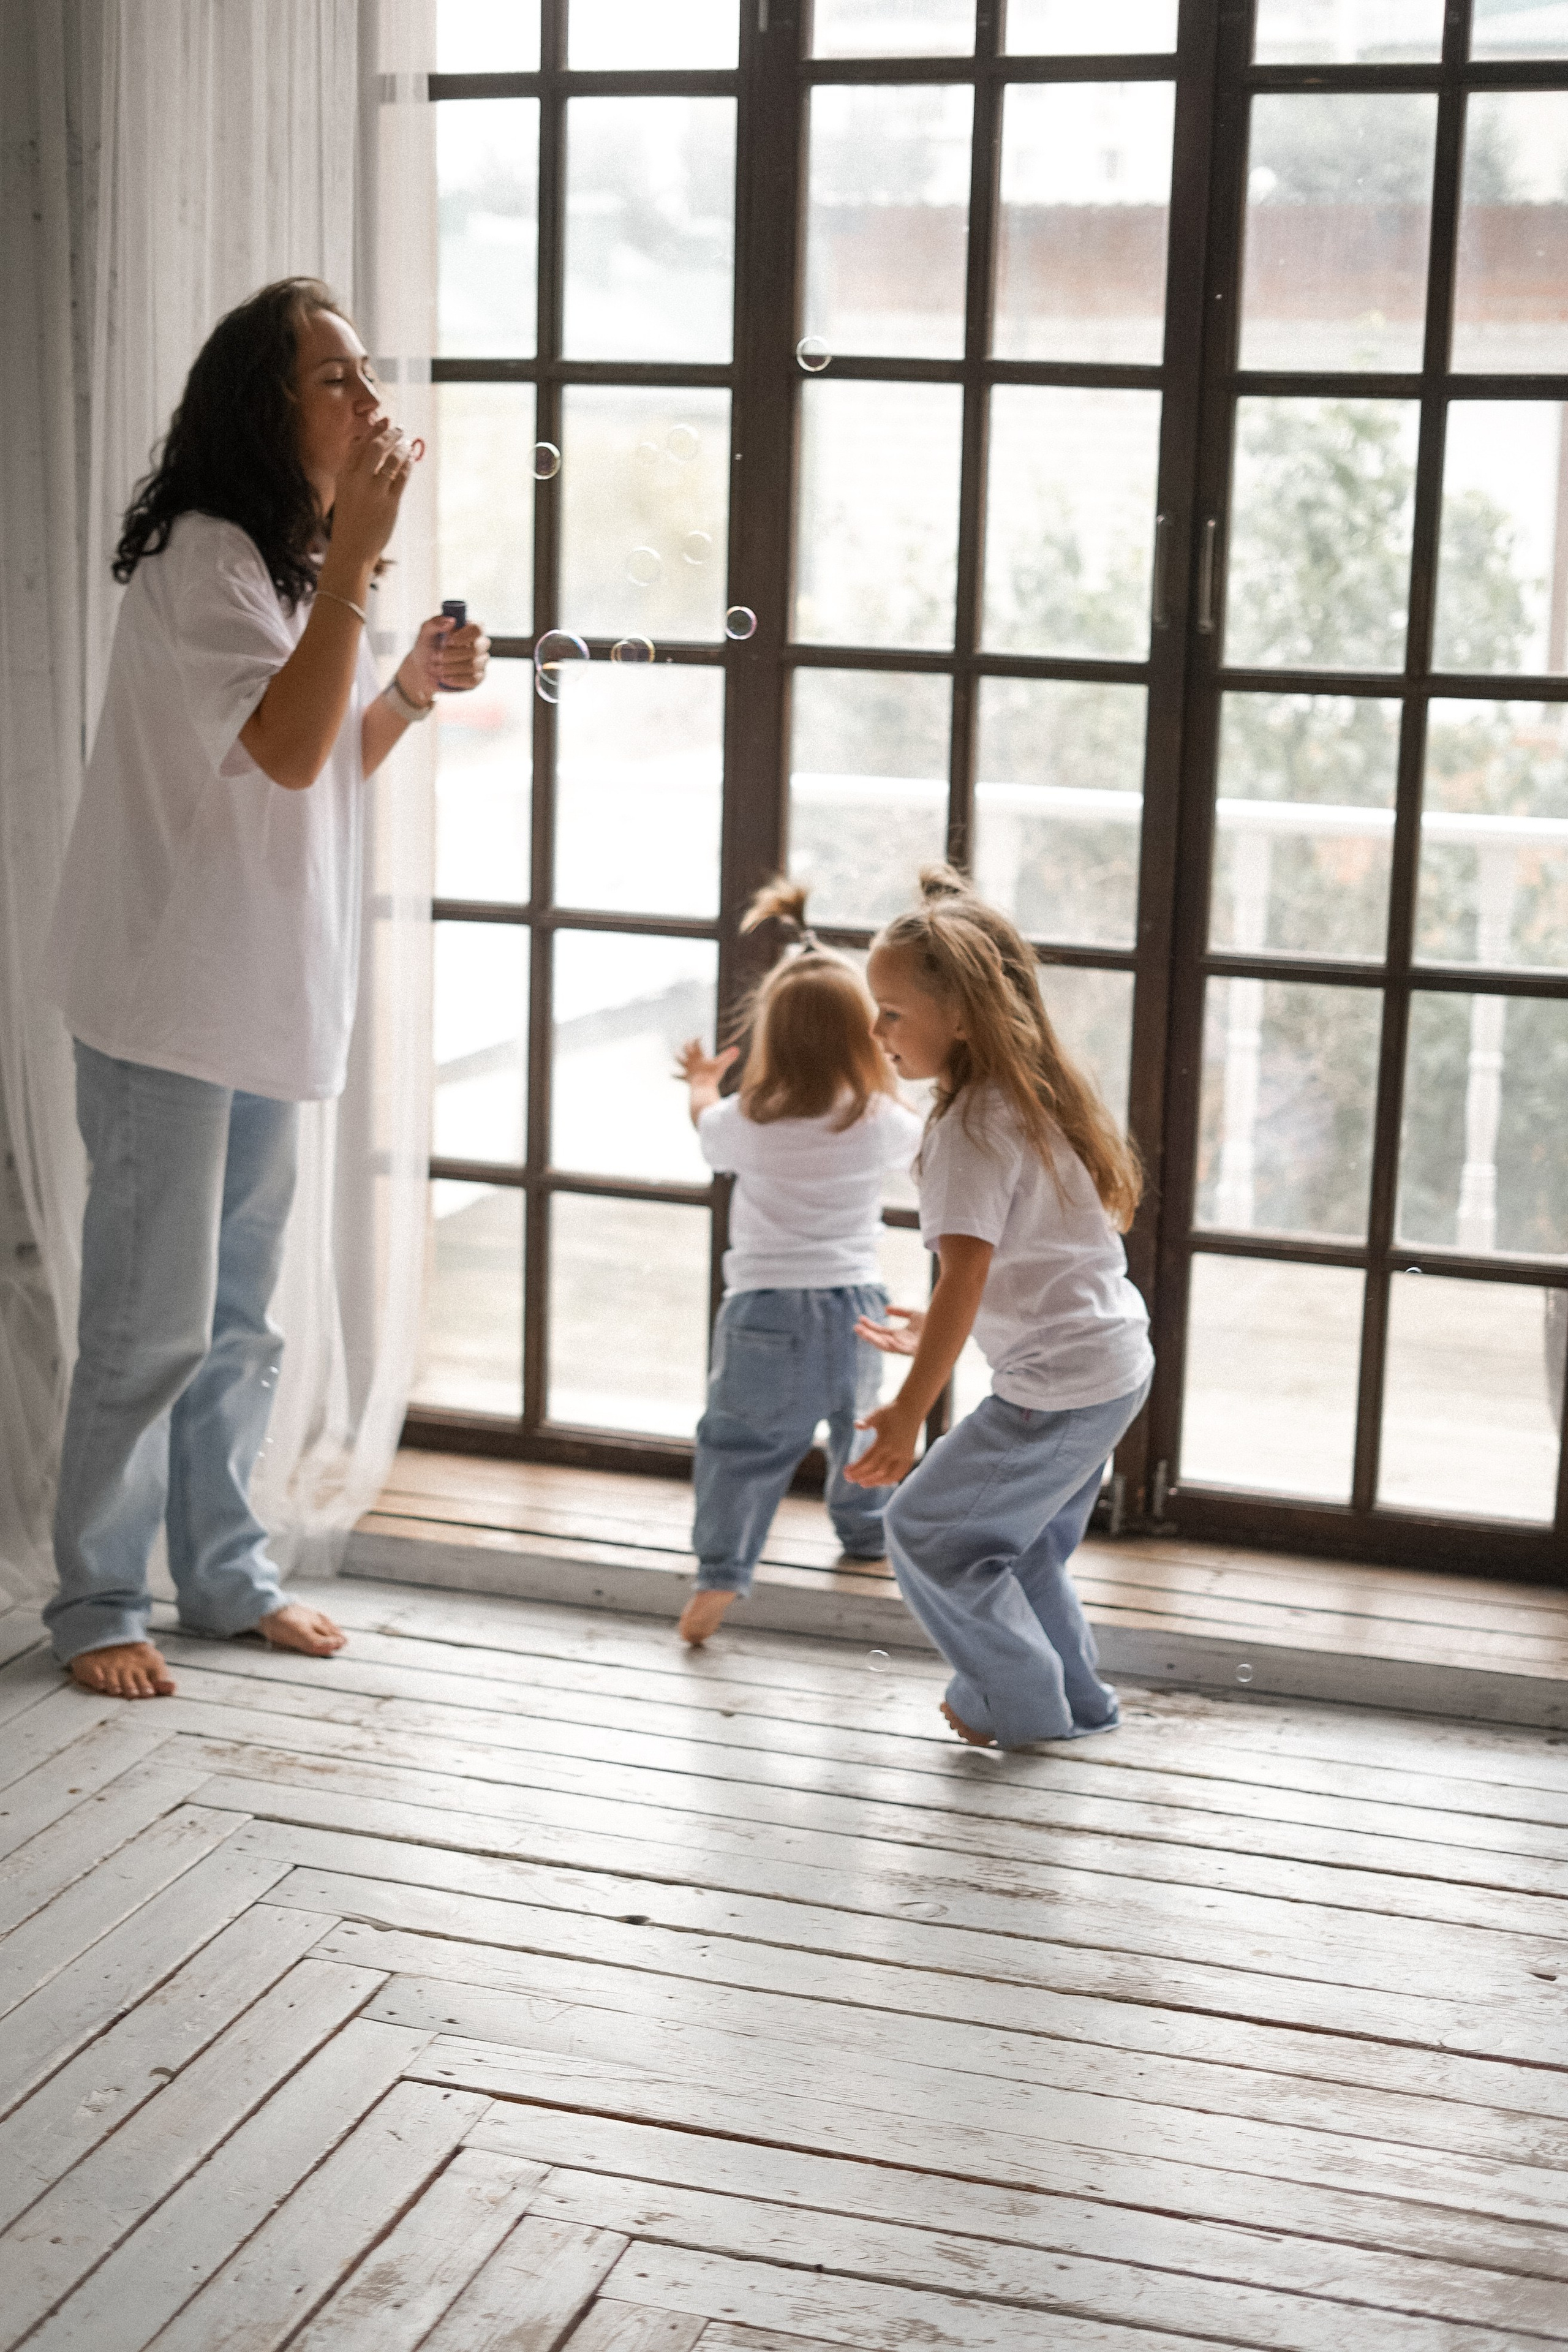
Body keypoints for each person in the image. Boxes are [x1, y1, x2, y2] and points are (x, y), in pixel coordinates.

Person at [41, 277, 489, 1700]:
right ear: (266, 404)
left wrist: (408, 689)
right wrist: (361, 558)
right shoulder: (201, 556)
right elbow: (290, 756)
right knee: (150, 1320)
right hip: (166, 1003)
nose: (367, 404)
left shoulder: (281, 563)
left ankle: (226, 1576)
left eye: (365, 378)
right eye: (334, 382)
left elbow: (305, 772)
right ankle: (99, 1597)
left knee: (240, 1319)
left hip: (251, 996)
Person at [848, 867, 1152, 1750]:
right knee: (1022, 1550)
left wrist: (910, 1413)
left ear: (963, 1017)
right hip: (1108, 1369)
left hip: (1056, 1389)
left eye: (893, 1011)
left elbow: (969, 1275)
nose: (876, 1030)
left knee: (923, 1529)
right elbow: (1022, 1264)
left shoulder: (969, 1130)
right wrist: (938, 1321)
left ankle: (1012, 1705)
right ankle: (1080, 1707)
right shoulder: (1023, 1100)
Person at [674, 880, 924, 1645]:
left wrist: (702, 1084)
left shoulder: (748, 1118)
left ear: (771, 1037)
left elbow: (704, 1130)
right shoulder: (879, 1119)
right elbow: (928, 1142)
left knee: (741, 1446)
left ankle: (721, 1573)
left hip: (764, 1308)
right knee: (861, 1431)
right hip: (859, 1307)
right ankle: (865, 1535)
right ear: (868, 1037)